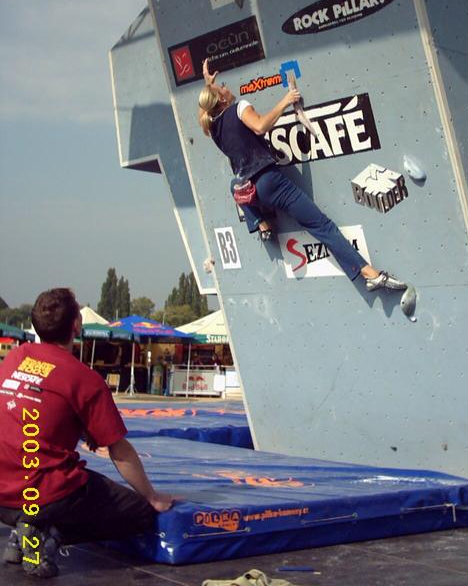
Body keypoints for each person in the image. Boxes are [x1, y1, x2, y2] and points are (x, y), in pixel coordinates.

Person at [0, 288, 176, 578]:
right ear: (76, 325)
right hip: (41, 495)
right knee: (139, 512)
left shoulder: (14, 358)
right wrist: (152, 496)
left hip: (3, 495)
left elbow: (35, 409)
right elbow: (118, 450)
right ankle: (44, 533)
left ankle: (24, 531)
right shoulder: (83, 378)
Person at [198, 58, 410, 293]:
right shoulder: (239, 107)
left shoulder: (211, 126)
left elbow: (204, 110)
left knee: (234, 184)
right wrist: (286, 100)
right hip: (270, 183)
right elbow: (259, 126)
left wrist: (208, 84)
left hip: (250, 193)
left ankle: (261, 223)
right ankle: (370, 274)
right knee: (322, 226)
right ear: (222, 99)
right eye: (222, 87)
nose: (226, 86)